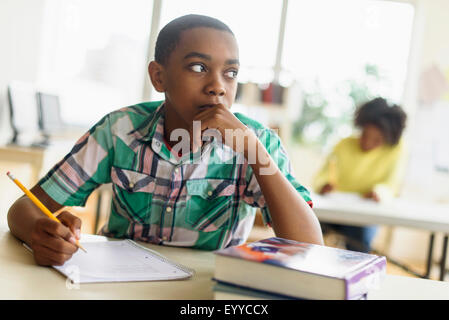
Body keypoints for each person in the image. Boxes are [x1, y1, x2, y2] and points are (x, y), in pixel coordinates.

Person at [7, 14, 323, 266]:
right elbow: (23, 208)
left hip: (206, 291)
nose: (218, 86)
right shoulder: (119, 130)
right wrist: (41, 233)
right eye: (199, 67)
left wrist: (254, 153)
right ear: (159, 77)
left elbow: (309, 246)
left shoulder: (259, 143)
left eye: (230, 73)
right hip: (116, 282)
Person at [313, 97, 407, 253]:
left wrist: (379, 193)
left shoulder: (396, 150)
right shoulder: (343, 145)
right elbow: (321, 176)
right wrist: (324, 185)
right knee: (307, 228)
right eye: (364, 135)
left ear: (388, 139)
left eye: (376, 140)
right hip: (333, 211)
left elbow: (391, 184)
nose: (367, 143)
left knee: (358, 243)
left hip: (364, 216)